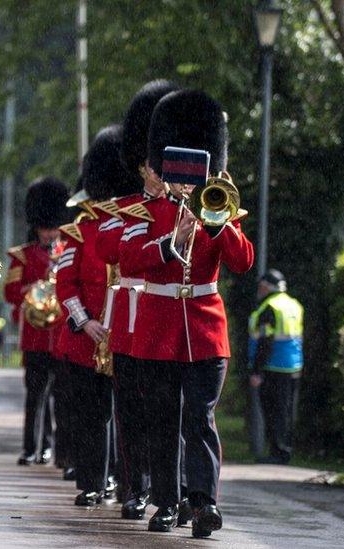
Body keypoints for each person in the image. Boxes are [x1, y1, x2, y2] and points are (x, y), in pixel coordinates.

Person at [119, 89, 254, 537]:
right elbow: (129, 257)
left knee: (200, 419)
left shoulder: (218, 207)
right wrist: (171, 240)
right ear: (164, 166)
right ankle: (166, 500)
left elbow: (242, 261)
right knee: (163, 420)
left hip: (205, 329)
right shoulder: (149, 209)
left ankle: (203, 503)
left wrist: (220, 221)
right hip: (158, 329)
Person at [93, 79, 179, 519]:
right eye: (151, 162)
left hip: (169, 319)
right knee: (131, 412)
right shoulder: (124, 208)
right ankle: (137, 486)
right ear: (141, 165)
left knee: (170, 413)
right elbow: (108, 250)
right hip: (129, 322)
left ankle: (175, 488)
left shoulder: (190, 207)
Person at [55, 126, 128, 507]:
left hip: (128, 334)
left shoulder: (135, 225)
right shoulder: (80, 232)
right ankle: (93, 482)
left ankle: (124, 480)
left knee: (126, 417)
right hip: (89, 339)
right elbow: (65, 284)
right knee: (92, 416)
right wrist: (86, 322)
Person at [3, 177, 70, 466]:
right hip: (35, 335)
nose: (48, 233)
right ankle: (32, 447)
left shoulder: (68, 251)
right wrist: (30, 290)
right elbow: (9, 292)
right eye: (44, 228)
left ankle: (57, 450)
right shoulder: (24, 256)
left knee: (63, 396)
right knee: (35, 396)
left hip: (63, 333)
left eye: (52, 227)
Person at [248, 268, 303, 465]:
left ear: (266, 287)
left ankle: (277, 451)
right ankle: (285, 449)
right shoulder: (293, 305)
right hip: (293, 365)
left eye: (261, 286)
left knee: (272, 411)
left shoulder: (269, 307)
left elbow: (265, 342)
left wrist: (257, 371)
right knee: (286, 411)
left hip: (272, 366)